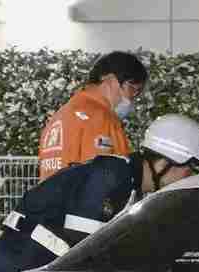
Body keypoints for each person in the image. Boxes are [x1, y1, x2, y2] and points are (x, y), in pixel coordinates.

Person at [0, 115, 199, 272]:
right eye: (189, 169)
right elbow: (86, 250)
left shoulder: (128, 183)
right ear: (164, 163)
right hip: (21, 269)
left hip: (35, 268)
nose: (189, 177)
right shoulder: (111, 178)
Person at [37, 51, 149, 181]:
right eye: (133, 89)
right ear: (110, 80)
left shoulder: (60, 116)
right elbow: (103, 182)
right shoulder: (101, 118)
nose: (133, 98)